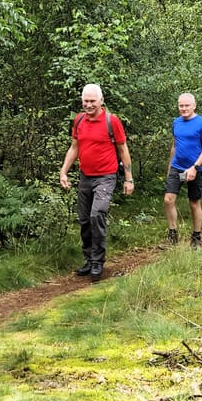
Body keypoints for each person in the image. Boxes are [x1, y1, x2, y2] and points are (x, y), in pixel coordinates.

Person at [58, 83, 134, 280]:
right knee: (84, 219)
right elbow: (74, 147)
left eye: (92, 101)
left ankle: (98, 262)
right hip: (85, 176)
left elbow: (123, 149)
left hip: (106, 176)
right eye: (85, 101)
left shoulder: (112, 121)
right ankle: (89, 258)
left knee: (97, 214)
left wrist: (128, 179)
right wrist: (64, 171)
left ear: (101, 101)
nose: (89, 105)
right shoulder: (79, 120)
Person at [164, 92, 202, 248]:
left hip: (195, 170)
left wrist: (195, 167)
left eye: (186, 105)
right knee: (168, 200)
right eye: (181, 105)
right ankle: (172, 235)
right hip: (177, 168)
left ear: (194, 105)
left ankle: (196, 237)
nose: (183, 108)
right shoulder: (176, 122)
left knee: (194, 203)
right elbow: (175, 146)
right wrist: (170, 167)